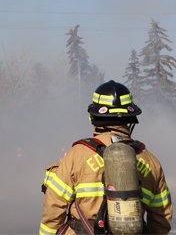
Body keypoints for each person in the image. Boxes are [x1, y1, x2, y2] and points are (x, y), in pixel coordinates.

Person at [40, 80, 172, 235]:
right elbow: (162, 219)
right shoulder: (150, 161)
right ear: (130, 118)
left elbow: (54, 206)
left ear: (93, 117)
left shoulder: (77, 154)